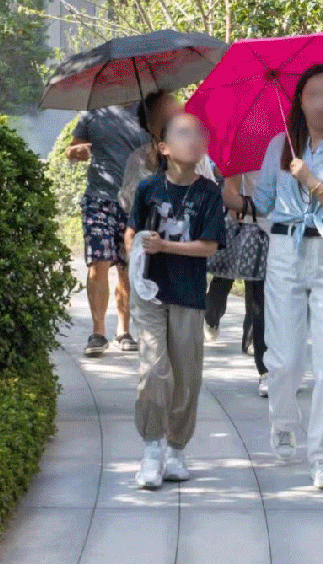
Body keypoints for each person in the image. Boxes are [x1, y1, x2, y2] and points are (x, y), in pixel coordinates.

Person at [228, 63, 323, 491]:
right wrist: (232, 188)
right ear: (300, 101)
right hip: (284, 252)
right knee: (285, 357)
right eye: (313, 94)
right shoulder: (279, 145)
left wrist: (312, 182)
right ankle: (284, 422)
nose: (321, 103)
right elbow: (264, 202)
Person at [125, 112, 225, 489]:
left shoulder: (209, 192)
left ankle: (176, 450)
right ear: (164, 147)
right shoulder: (148, 188)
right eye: (183, 133)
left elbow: (209, 247)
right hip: (150, 292)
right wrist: (136, 249)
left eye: (199, 133)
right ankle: (152, 448)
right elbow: (132, 231)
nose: (194, 139)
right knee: (154, 369)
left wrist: (165, 245)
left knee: (186, 377)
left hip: (188, 294)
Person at [66, 104, 148, 356]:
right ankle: (98, 332)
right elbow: (72, 149)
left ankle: (124, 330)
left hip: (134, 201)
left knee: (128, 268)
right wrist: (76, 152)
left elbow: (159, 154)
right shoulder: (94, 112)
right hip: (97, 199)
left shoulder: (146, 111)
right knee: (97, 263)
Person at [206, 172, 270, 397]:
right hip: (256, 231)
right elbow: (229, 192)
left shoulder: (300, 152)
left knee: (288, 306)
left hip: (294, 234)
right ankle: (266, 370)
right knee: (259, 300)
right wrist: (240, 207)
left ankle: (287, 365)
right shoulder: (249, 152)